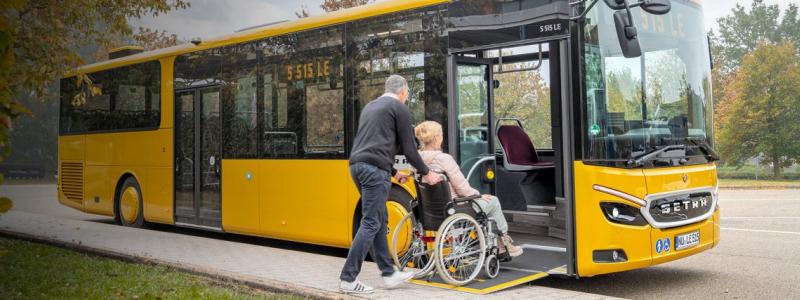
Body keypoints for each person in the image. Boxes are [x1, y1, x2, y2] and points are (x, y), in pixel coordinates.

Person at [339, 75, 442, 294]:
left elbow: (372, 144)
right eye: (407, 94)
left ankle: (389, 274)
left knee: (378, 219)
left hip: (357, 167)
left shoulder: (370, 107)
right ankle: (348, 279)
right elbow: (409, 148)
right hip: (374, 170)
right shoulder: (398, 108)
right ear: (403, 91)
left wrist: (394, 173)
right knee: (370, 222)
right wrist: (427, 172)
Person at [414, 120, 523, 257]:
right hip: (454, 208)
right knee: (493, 202)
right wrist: (477, 195)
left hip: (429, 212)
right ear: (437, 138)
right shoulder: (444, 159)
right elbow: (462, 188)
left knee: (486, 204)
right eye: (441, 135)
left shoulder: (416, 160)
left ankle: (494, 243)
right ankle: (504, 243)